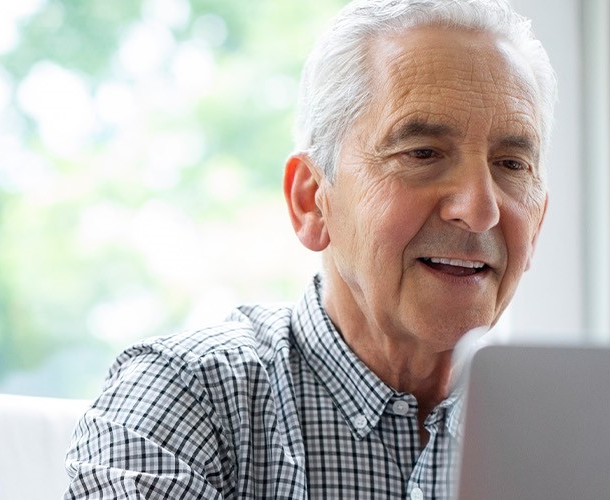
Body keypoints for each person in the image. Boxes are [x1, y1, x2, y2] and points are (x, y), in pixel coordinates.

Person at [63, 0, 557, 498]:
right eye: (421, 153)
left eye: (512, 164)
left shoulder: (570, 430)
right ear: (312, 202)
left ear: (536, 223)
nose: (479, 210)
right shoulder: (186, 400)